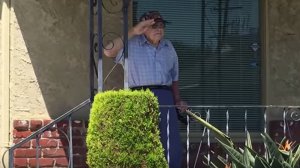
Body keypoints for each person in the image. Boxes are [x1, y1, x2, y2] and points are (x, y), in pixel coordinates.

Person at [104, 11, 187, 168]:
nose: (159, 29)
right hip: (139, 97)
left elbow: (174, 77)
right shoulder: (131, 44)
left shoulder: (169, 47)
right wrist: (134, 31)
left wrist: (177, 100)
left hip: (165, 97)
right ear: (143, 27)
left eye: (161, 25)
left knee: (170, 143)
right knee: (140, 142)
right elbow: (108, 51)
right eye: (153, 25)